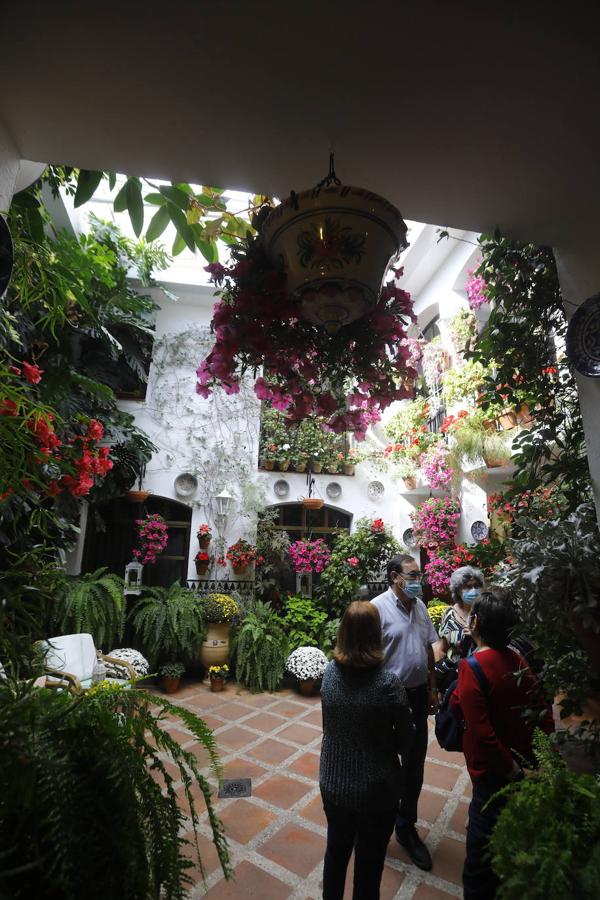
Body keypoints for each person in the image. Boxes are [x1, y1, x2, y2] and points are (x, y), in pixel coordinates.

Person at [451, 589, 554, 900]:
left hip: (495, 773)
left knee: (479, 866)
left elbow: (481, 732)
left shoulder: (472, 667)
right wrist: (542, 760)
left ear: (475, 622)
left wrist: (513, 771)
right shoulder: (517, 658)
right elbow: (542, 711)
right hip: (524, 763)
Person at [320, 601, 414, 900]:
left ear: (343, 632)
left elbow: (328, 726)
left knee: (336, 855)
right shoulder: (388, 684)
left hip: (334, 783)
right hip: (377, 789)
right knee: (369, 867)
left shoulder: (329, 674)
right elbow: (406, 742)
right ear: (377, 633)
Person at [371, 554, 438, 871]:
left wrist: (433, 687)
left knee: (414, 765)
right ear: (395, 577)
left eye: (419, 576)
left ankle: (406, 826)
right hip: (387, 701)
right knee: (383, 764)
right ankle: (377, 826)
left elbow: (428, 650)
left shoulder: (421, 608)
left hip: (418, 696)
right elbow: (367, 658)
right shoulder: (377, 609)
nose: (417, 581)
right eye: (413, 576)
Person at [436, 565, 485, 662]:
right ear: (458, 590)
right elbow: (442, 649)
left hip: (481, 666)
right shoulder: (450, 614)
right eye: (468, 587)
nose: (473, 590)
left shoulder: (485, 611)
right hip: (457, 668)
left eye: (476, 586)